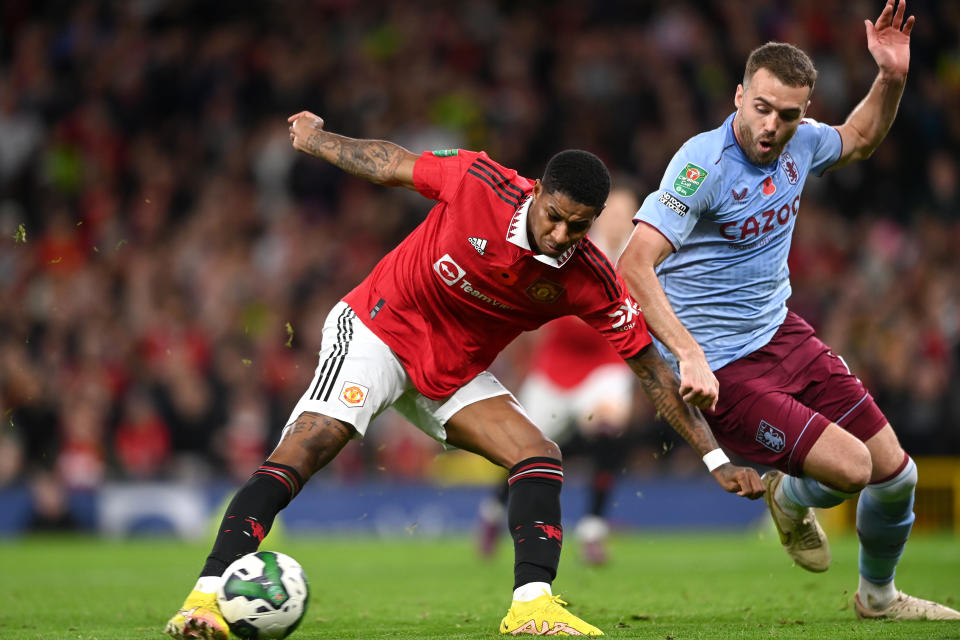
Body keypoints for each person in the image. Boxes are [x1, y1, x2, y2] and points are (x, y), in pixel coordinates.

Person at [165, 112, 765, 639]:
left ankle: (531, 607)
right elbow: (391, 165)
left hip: (452, 370)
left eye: (578, 228)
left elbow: (651, 369)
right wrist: (318, 141)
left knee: (538, 455)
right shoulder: (479, 182)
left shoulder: (589, 275)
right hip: (379, 327)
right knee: (313, 442)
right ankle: (206, 599)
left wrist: (715, 459)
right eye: (554, 218)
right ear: (538, 194)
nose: (561, 237)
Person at [618, 0, 960, 622]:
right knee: (855, 470)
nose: (774, 126)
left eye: (790, 113)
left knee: (899, 475)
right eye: (763, 108)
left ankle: (878, 601)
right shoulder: (703, 165)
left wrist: (891, 79)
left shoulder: (801, 142)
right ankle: (787, 498)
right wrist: (689, 352)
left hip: (782, 335)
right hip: (722, 369)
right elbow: (633, 265)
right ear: (738, 96)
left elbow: (856, 140)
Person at [476, 188, 640, 566]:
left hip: (604, 362)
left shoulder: (638, 259)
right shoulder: (574, 248)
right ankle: (492, 510)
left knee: (609, 427)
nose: (617, 223)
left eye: (625, 216)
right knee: (524, 449)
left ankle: (593, 527)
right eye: (611, 215)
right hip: (555, 365)